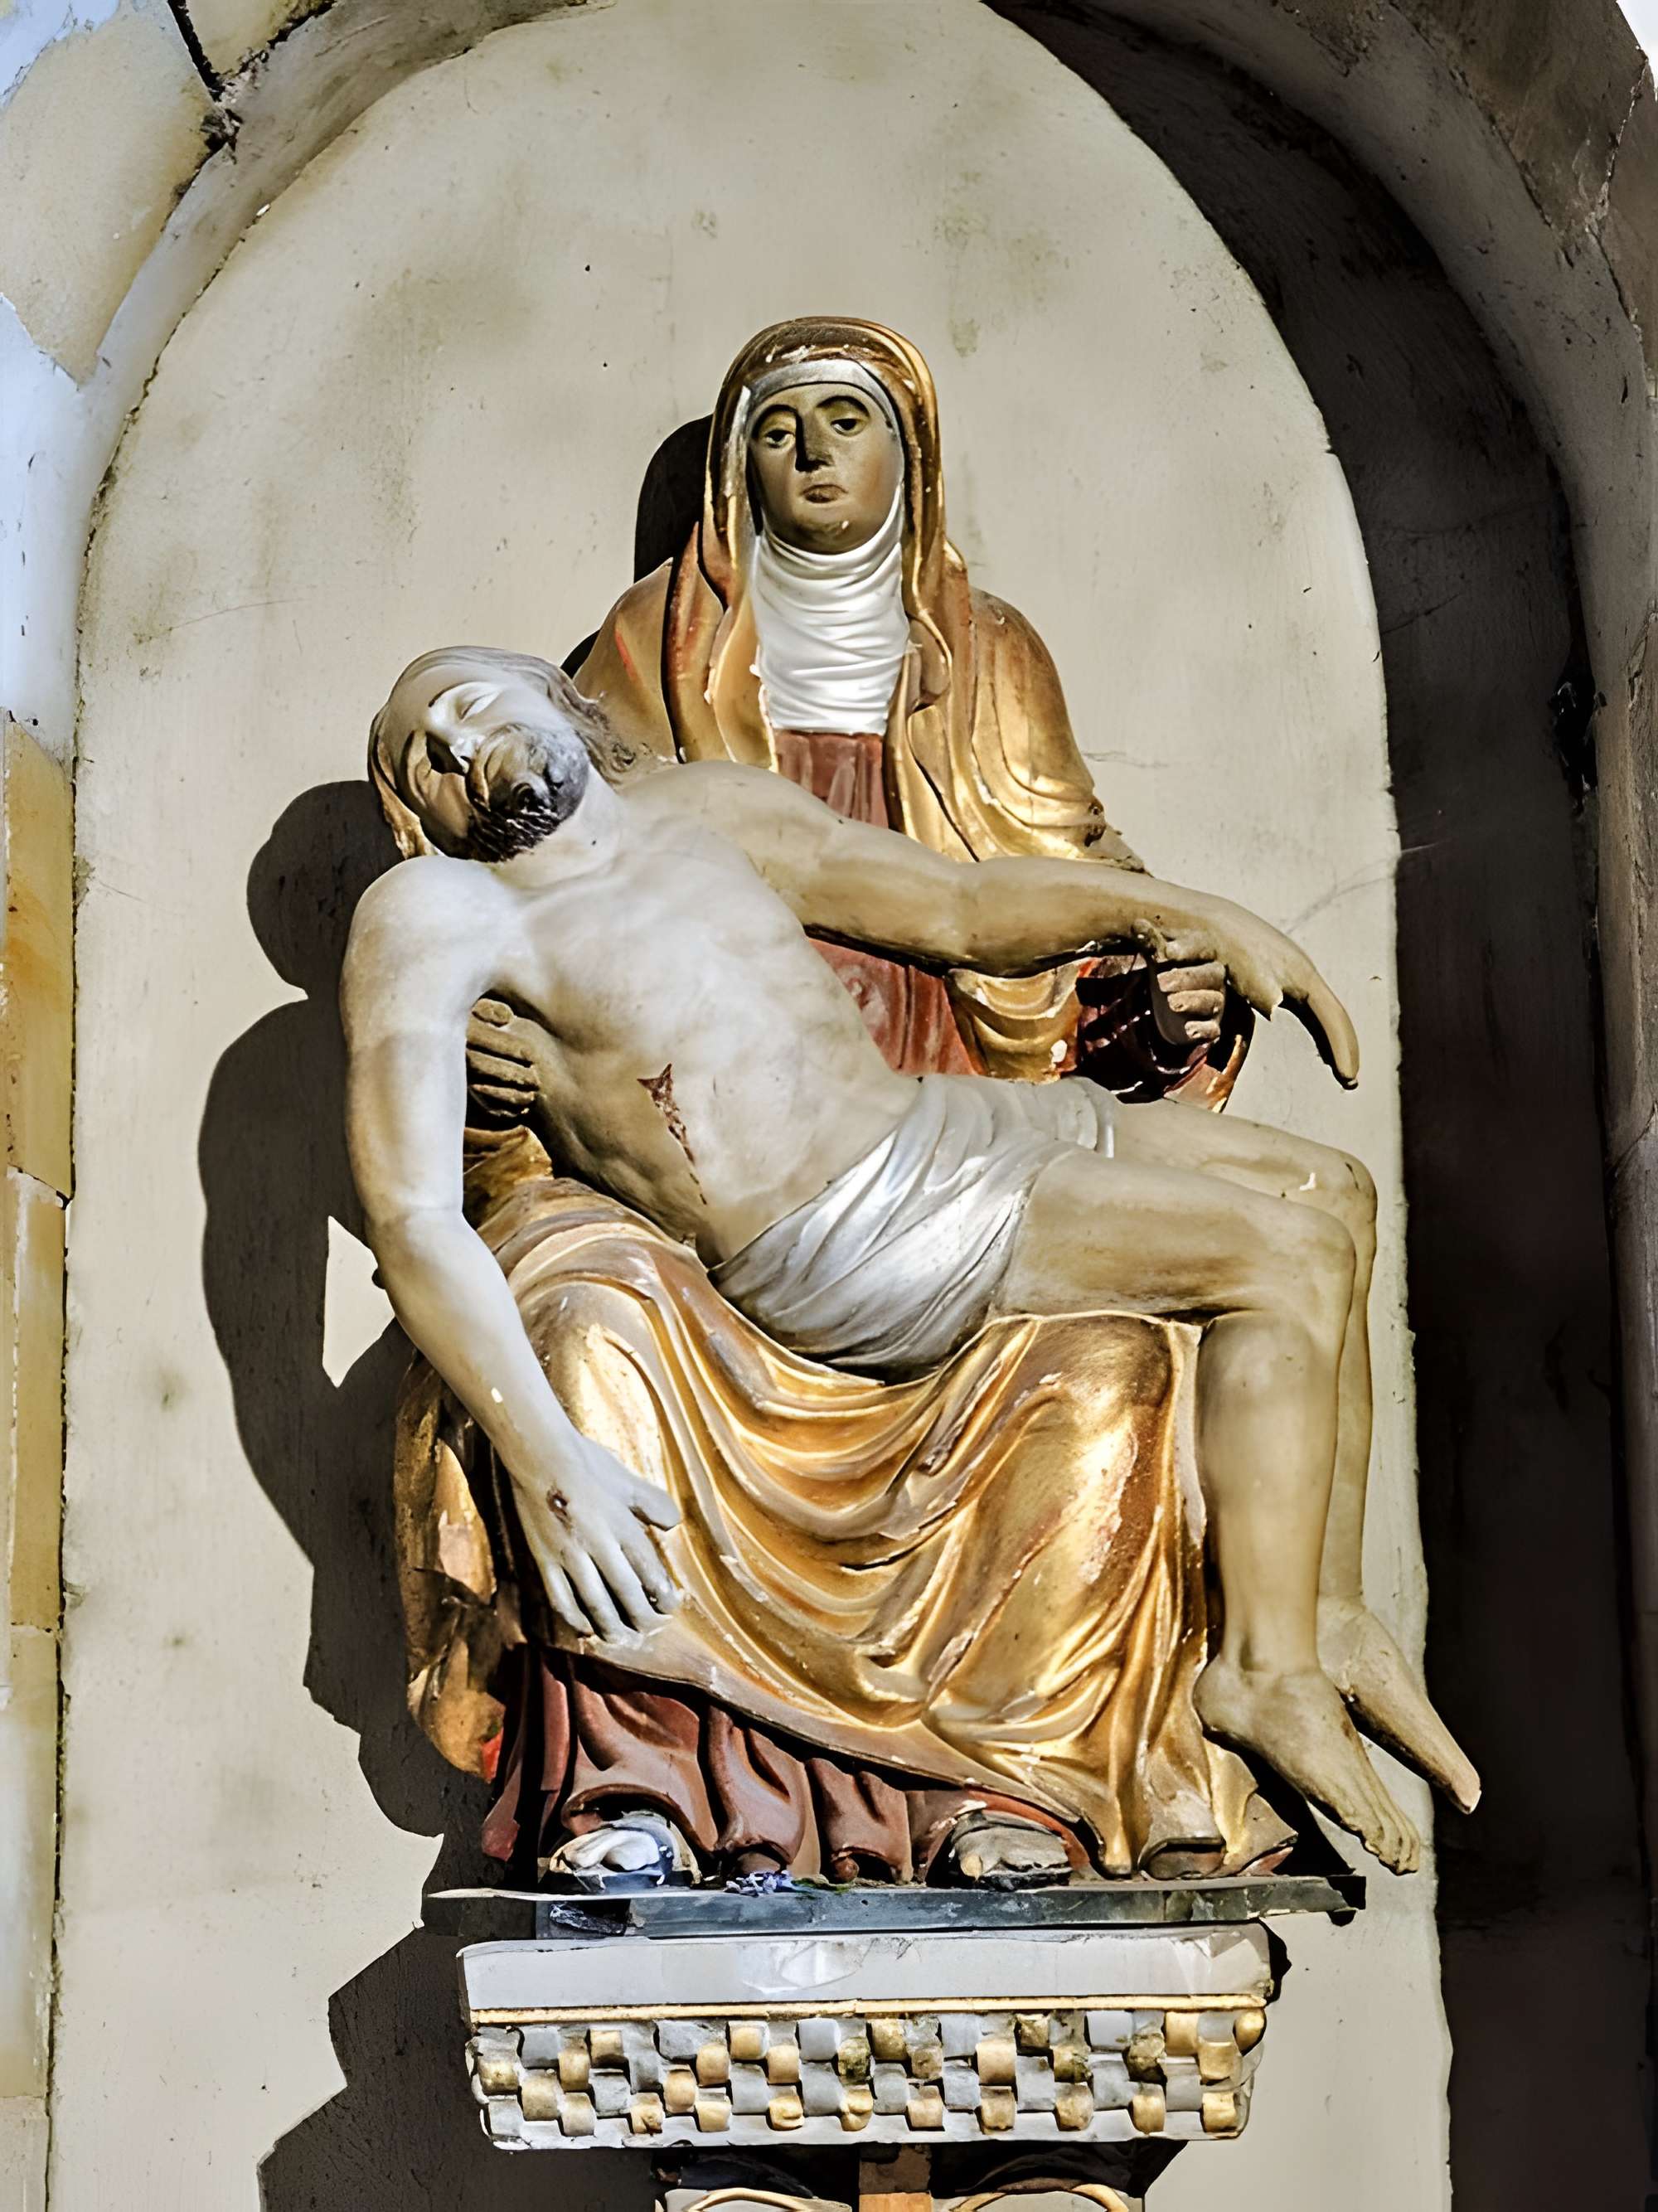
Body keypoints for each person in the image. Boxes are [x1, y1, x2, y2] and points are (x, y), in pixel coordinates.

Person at [348, 647, 1478, 1875]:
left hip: (941, 1128)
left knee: (1334, 1190)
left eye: (465, 706)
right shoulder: (443, 913)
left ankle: (1325, 1608)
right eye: (427, 765)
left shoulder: (703, 809)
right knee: (1286, 1255)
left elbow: (961, 911)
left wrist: (1189, 915)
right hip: (851, 1233)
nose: (461, 751)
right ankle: (1263, 1672)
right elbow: (413, 1218)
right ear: (423, 821)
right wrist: (545, 1454)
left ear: (549, 692)